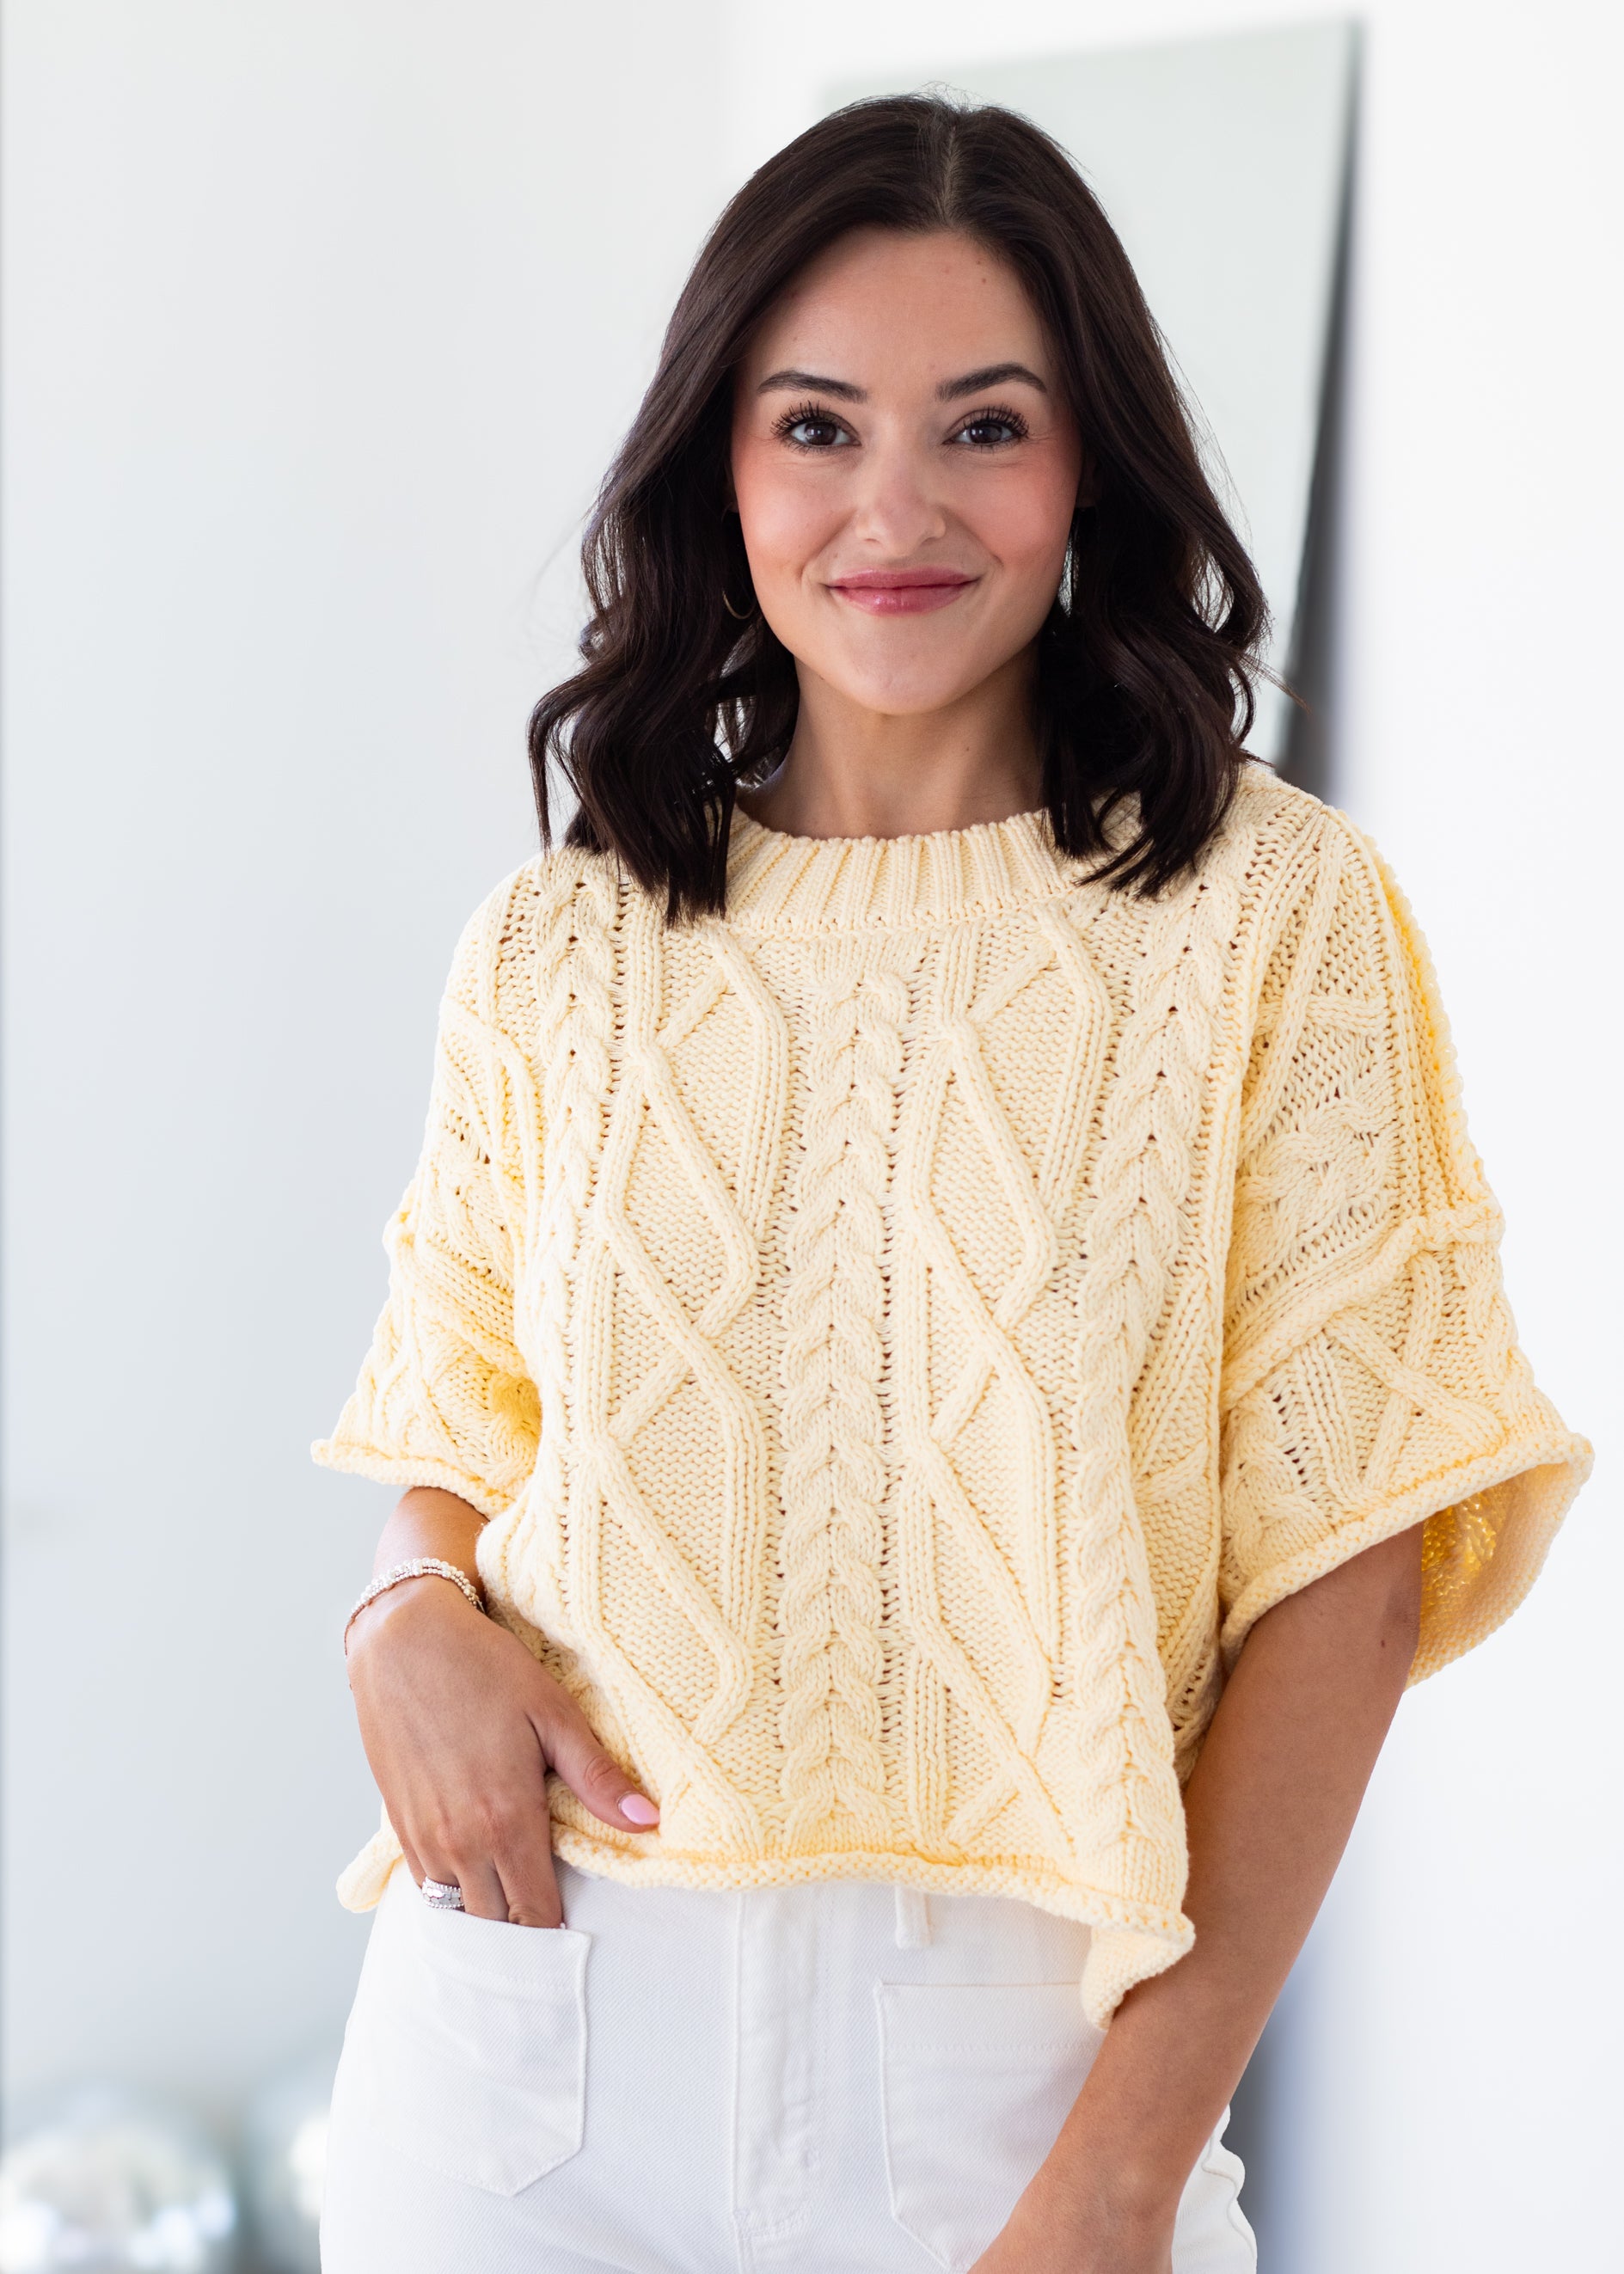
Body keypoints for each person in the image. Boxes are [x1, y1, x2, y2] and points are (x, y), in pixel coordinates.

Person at [312, 95, 1588, 2274]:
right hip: (529, 2038)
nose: (893, 509)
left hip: (1027, 2064)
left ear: (1088, 467)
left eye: (983, 428)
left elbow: (1351, 1572)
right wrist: (399, 1615)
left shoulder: (1271, 920)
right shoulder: (562, 942)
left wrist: (1120, 2178)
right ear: (722, 468)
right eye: (817, 427)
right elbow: (460, 1440)